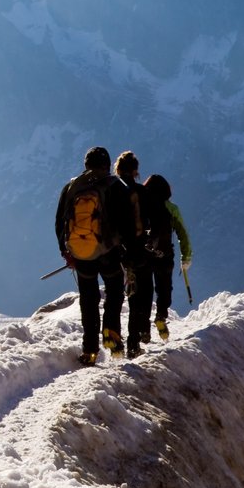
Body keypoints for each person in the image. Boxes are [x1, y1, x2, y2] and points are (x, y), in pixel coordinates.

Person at [55, 146, 133, 366]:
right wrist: (127, 253)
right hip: (109, 252)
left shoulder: (72, 187)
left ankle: (89, 350)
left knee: (88, 300)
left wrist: (66, 250)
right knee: (115, 292)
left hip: (81, 254)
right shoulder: (115, 185)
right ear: (107, 165)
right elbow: (126, 222)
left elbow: (60, 222)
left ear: (86, 165)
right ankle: (112, 335)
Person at [142, 173, 192, 340]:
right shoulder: (171, 208)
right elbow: (182, 234)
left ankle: (144, 329)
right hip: (165, 254)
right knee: (164, 289)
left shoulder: (142, 206)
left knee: (145, 290)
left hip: (144, 254)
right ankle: (161, 317)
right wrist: (186, 256)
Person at [115, 151, 152, 359]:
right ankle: (134, 342)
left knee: (129, 295)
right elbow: (149, 222)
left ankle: (123, 342)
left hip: (119, 252)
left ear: (118, 169)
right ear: (136, 171)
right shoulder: (141, 191)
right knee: (143, 294)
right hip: (140, 250)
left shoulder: (111, 190)